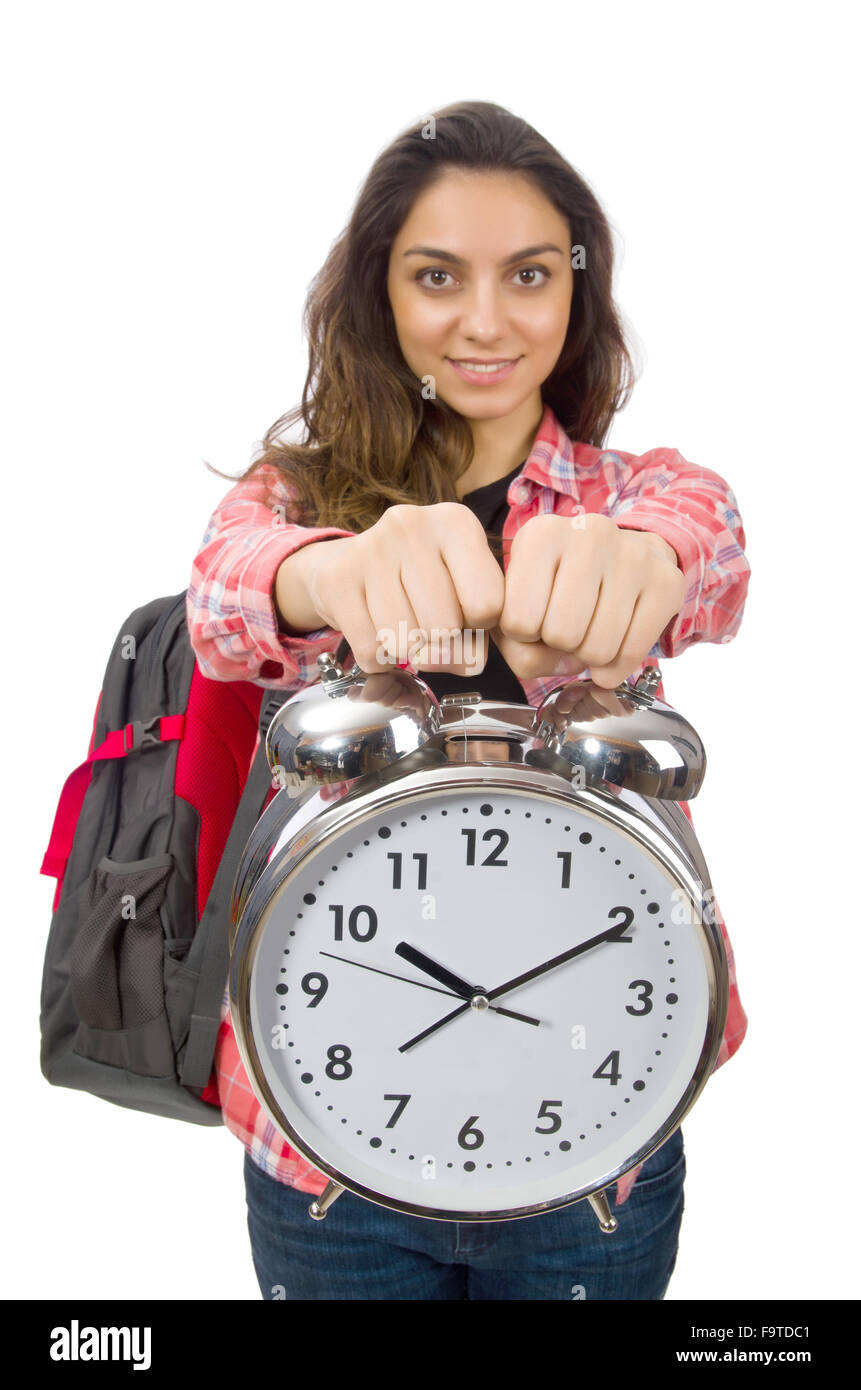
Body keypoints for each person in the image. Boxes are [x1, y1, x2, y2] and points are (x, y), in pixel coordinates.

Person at [187, 100, 750, 1300]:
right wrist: (324, 569)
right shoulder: (301, 491)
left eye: (530, 276)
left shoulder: (636, 490)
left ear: (576, 297)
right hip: (321, 1141)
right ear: (380, 295)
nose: (485, 322)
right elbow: (219, 595)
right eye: (437, 275)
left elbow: (711, 545)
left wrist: (641, 566)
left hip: (595, 1132)